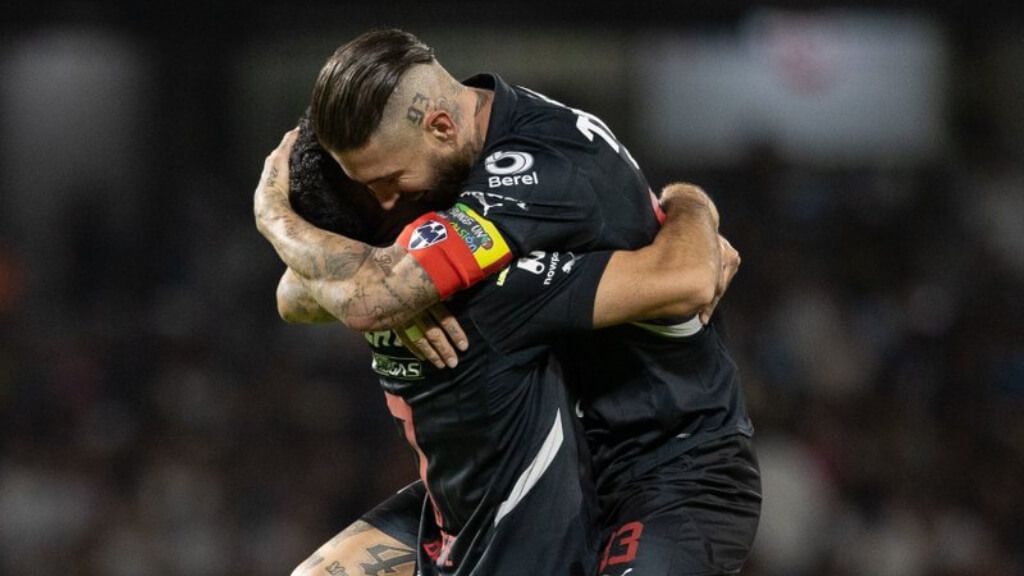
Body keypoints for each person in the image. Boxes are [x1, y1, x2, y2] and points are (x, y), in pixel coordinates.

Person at [256, 28, 759, 576]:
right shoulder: (464, 145)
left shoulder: (535, 176)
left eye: (390, 182)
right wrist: (400, 289)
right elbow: (304, 292)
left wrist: (273, 214)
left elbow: (690, 276)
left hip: (673, 466)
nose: (388, 203)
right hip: (571, 464)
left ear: (442, 127)